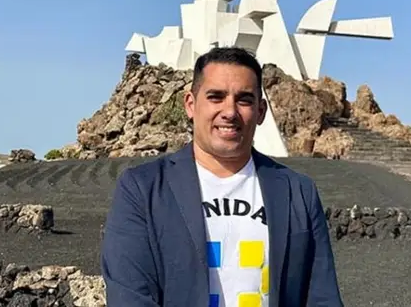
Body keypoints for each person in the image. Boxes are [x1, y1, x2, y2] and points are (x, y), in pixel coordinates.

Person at [101, 46, 344, 306]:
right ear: (191, 105)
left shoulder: (298, 192)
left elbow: (322, 296)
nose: (230, 111)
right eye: (216, 97)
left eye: (244, 100)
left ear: (260, 111)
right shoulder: (142, 189)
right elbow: (130, 296)